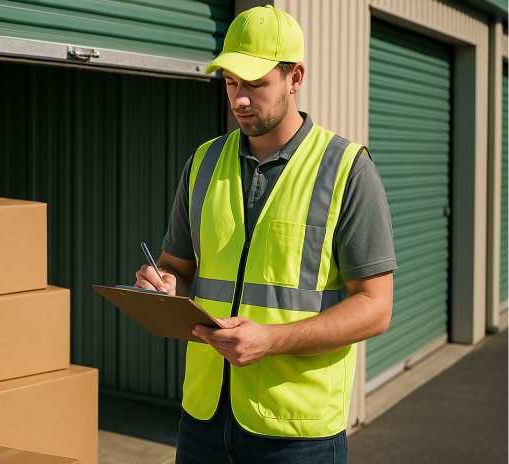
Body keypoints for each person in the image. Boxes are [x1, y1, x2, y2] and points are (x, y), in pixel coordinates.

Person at [133, 6, 396, 463]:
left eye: (255, 84)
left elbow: (375, 309)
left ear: (295, 78)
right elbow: (178, 267)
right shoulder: (201, 164)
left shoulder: (348, 171)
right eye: (231, 82)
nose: (238, 99)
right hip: (203, 421)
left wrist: (270, 340)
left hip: (297, 435)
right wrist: (165, 286)